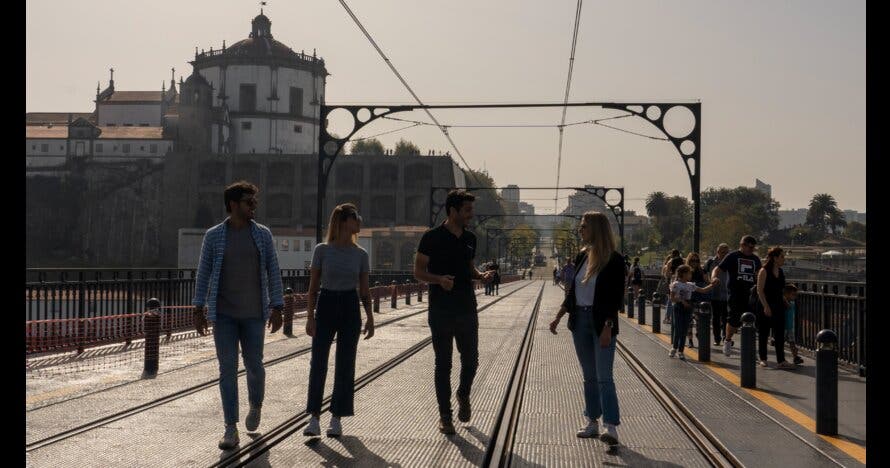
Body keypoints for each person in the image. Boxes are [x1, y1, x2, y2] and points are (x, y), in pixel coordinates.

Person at [192, 181, 284, 450]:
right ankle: (230, 427)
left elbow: (273, 271)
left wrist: (278, 307)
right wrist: (198, 308)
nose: (254, 207)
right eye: (249, 202)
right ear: (233, 205)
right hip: (224, 316)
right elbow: (203, 273)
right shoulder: (214, 236)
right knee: (227, 370)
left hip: (255, 314)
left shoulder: (263, 235)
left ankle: (256, 404)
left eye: (255, 202)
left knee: (255, 366)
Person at [414, 190, 494, 435]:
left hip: (467, 308)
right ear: (453, 211)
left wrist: (479, 275)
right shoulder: (431, 237)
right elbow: (418, 272)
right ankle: (445, 416)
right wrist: (438, 279)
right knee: (443, 364)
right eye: (467, 210)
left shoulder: (470, 238)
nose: (471, 214)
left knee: (471, 360)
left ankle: (463, 393)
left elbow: (468, 266)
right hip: (440, 309)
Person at [548, 211, 625, 447]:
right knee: (589, 377)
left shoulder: (614, 260)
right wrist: (559, 316)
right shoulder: (582, 255)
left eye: (584, 227)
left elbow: (615, 298)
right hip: (579, 321)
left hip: (601, 323)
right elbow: (573, 292)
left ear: (596, 229)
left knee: (604, 377)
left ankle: (610, 426)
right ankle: (592, 421)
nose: (580, 230)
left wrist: (608, 327)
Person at [303, 203, 375, 437]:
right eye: (356, 217)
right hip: (326, 303)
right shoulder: (322, 250)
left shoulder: (361, 254)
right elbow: (313, 288)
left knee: (345, 364)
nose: (360, 221)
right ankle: (314, 417)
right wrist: (310, 317)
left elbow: (364, 291)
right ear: (344, 221)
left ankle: (337, 417)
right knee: (319, 362)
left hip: (350, 305)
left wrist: (370, 317)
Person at [714, 236, 762, 357]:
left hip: (751, 294)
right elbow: (718, 268)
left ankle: (749, 348)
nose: (751, 249)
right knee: (733, 320)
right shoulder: (733, 256)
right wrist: (714, 277)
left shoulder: (755, 259)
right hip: (735, 293)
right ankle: (727, 340)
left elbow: (760, 274)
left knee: (751, 319)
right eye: (749, 246)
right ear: (742, 245)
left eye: (753, 247)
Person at [669, 265, 719, 360]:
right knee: (678, 329)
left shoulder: (690, 285)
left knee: (684, 330)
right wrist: (682, 301)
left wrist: (713, 285)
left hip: (688, 307)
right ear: (683, 274)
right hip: (678, 307)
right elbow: (672, 298)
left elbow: (703, 290)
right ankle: (674, 348)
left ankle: (681, 351)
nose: (690, 275)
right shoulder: (676, 284)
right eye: (689, 273)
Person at [755, 247, 794, 369]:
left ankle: (781, 360)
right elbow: (759, 290)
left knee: (779, 334)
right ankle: (763, 358)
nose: (783, 259)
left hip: (778, 305)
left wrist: (785, 301)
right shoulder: (764, 271)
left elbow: (780, 290)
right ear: (775, 258)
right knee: (764, 333)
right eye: (782, 256)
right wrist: (766, 306)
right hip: (765, 305)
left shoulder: (781, 272)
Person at [704, 244, 730, 346]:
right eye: (723, 252)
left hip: (727, 294)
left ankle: (725, 337)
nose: (725, 254)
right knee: (715, 317)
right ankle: (717, 338)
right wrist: (710, 282)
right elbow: (704, 273)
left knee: (726, 317)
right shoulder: (711, 262)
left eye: (726, 252)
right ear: (717, 252)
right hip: (715, 294)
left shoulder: (730, 262)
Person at [783, 284, 804, 365]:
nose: (795, 296)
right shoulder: (784, 303)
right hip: (784, 326)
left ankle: (795, 357)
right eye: (793, 295)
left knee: (792, 343)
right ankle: (782, 358)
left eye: (795, 295)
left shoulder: (792, 303)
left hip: (790, 327)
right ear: (786, 294)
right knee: (782, 342)